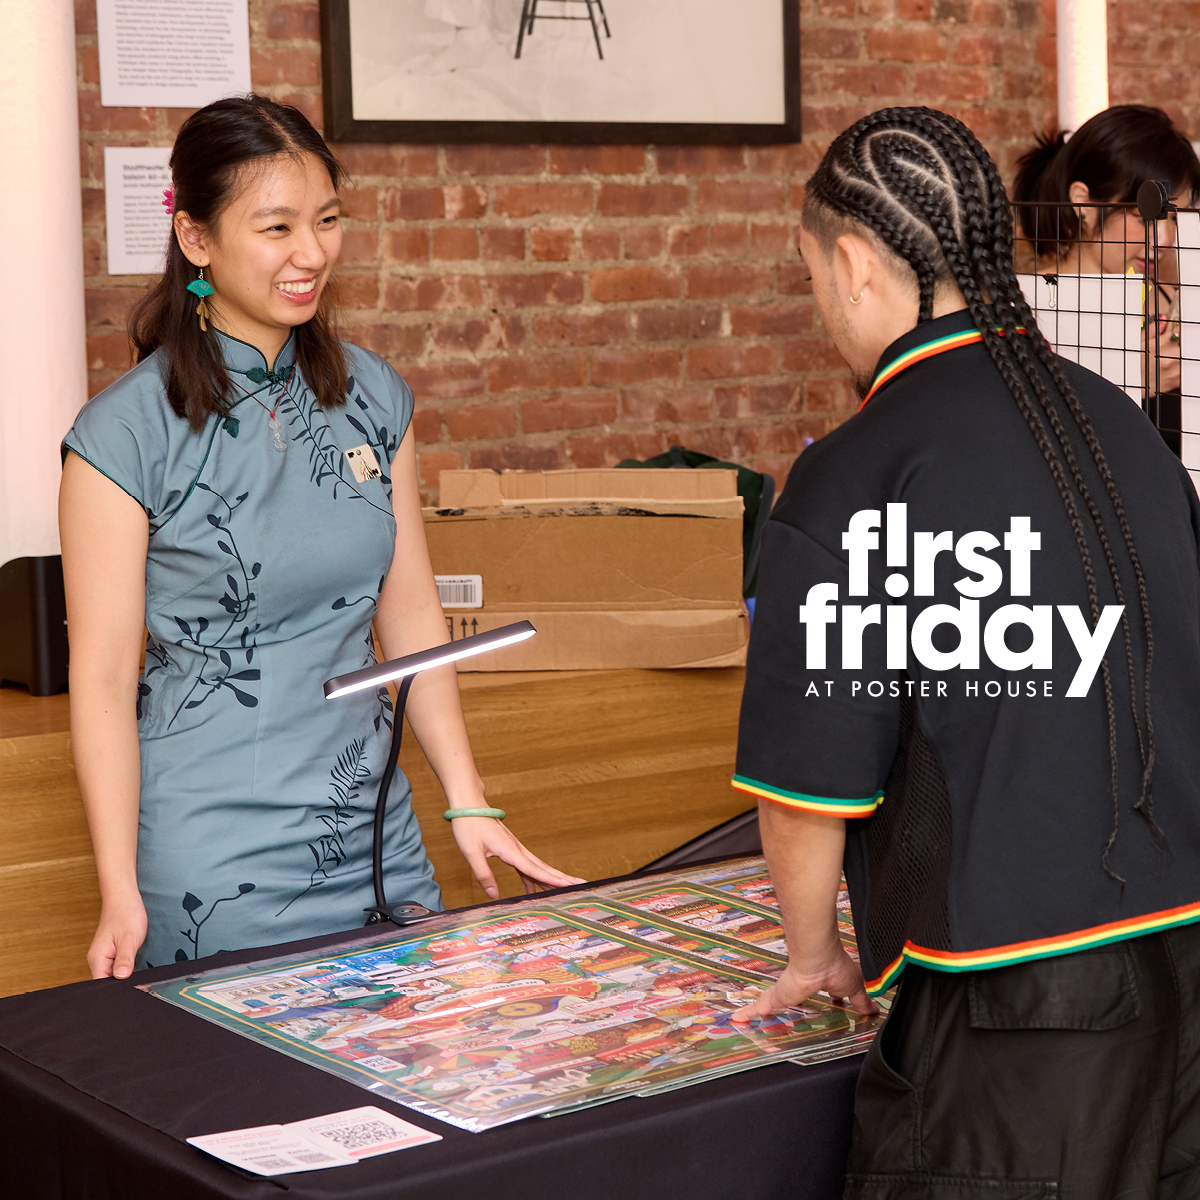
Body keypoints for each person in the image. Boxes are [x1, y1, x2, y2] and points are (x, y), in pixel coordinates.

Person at [731, 107, 1200, 1194]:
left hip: (1020, 1009)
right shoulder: (1121, 422)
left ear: (853, 264)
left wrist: (813, 955)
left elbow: (806, 792)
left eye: (811, 277)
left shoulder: (853, 477)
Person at [59, 95, 581, 978]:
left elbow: (410, 613)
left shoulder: (374, 398)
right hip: (213, 857)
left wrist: (467, 801)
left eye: (328, 220)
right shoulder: (123, 436)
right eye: (277, 227)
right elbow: (104, 680)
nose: (312, 254)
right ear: (195, 238)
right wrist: (120, 886)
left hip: (373, 831)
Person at [1013, 104, 1200, 399]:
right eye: (1145, 218)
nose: (1164, 238)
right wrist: (1129, 379)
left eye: (1176, 217)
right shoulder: (1025, 311)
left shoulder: (1169, 307)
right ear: (1083, 203)